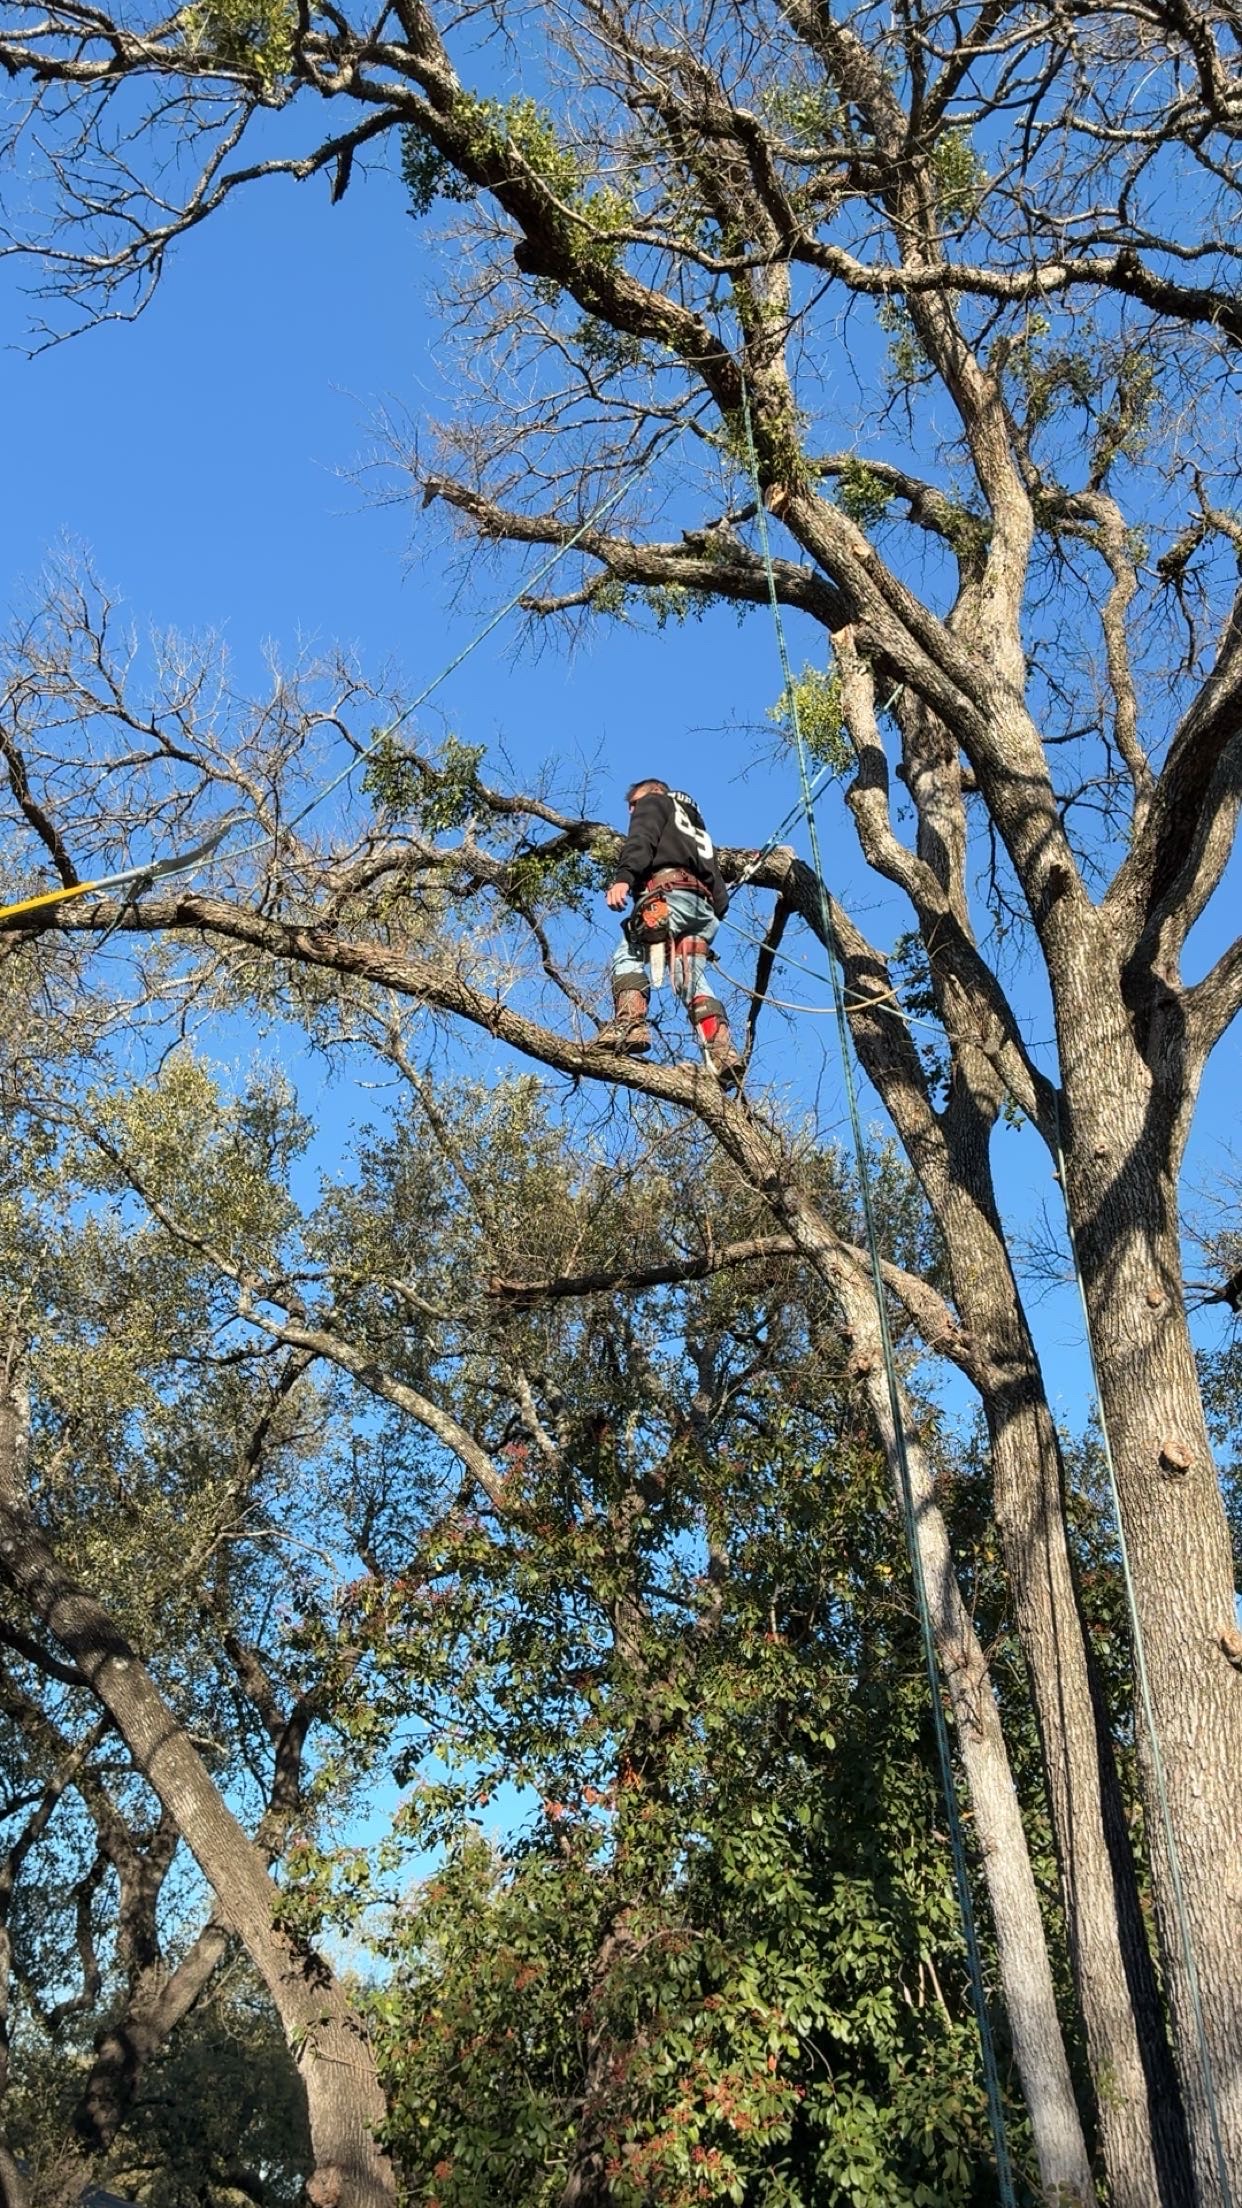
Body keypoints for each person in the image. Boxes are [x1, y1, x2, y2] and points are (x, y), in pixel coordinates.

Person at [590, 777, 745, 1088]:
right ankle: (722, 1051)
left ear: (655, 793)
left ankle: (629, 1025)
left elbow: (641, 840)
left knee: (629, 953)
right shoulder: (696, 828)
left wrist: (623, 878)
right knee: (688, 977)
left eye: (634, 803)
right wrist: (710, 912)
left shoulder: (656, 803)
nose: (632, 811)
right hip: (702, 911)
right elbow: (720, 891)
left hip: (667, 898)